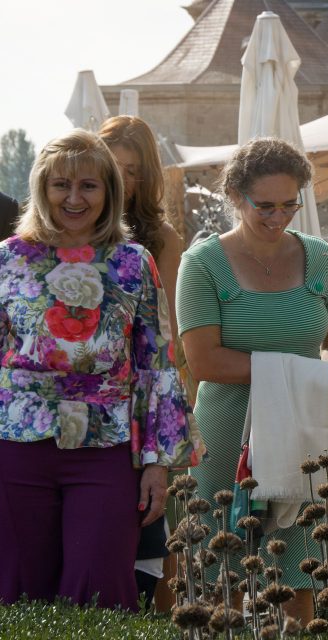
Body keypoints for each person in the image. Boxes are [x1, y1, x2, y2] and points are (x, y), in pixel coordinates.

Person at [0, 130, 197, 610]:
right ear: (41, 190)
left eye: (88, 185)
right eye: (60, 185)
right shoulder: (9, 259)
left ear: (109, 190)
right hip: (16, 445)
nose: (73, 198)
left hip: (107, 448)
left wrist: (157, 463)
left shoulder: (134, 262)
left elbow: (157, 365)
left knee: (102, 588)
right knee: (17, 589)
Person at [177, 137, 328, 623]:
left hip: (301, 435)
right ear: (235, 195)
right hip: (226, 437)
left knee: (299, 579)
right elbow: (204, 361)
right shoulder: (203, 264)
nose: (278, 217)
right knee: (220, 580)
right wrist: (300, 372)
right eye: (266, 205)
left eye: (290, 204)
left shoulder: (319, 259)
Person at [99, 115, 188, 610]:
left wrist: (170, 415)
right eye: (113, 165)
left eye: (133, 170)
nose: (121, 179)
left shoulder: (162, 239)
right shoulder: (61, 225)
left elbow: (167, 335)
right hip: (85, 403)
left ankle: (158, 618)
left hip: (143, 394)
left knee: (155, 518)